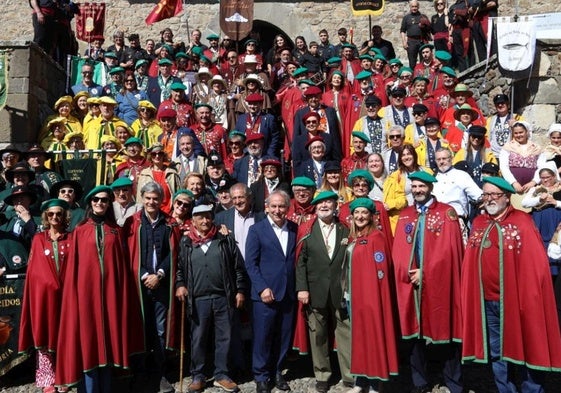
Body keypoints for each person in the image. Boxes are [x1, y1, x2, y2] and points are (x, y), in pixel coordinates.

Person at [462, 176, 561, 392]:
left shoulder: (522, 222)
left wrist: (531, 298)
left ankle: (531, 389)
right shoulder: (479, 223)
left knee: (526, 346)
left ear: (507, 197)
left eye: (494, 194)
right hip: (487, 301)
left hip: (518, 303)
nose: (489, 199)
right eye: (486, 194)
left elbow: (535, 266)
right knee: (497, 351)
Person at [55, 186, 143, 391]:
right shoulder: (80, 231)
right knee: (88, 342)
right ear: (90, 203)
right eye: (96, 200)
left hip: (111, 298)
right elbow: (74, 270)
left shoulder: (115, 230)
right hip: (86, 299)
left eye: (104, 200)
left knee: (109, 345)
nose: (100, 203)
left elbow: (121, 266)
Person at [392, 171, 464, 393]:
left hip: (439, 283)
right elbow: (399, 252)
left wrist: (426, 272)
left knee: (446, 333)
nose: (417, 190)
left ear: (430, 187)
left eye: (421, 186)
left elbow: (449, 252)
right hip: (410, 285)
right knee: (414, 336)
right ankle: (419, 382)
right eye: (414, 187)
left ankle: (453, 382)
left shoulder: (446, 213)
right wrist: (406, 272)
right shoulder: (406, 214)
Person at [176, 204, 248, 393]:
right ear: (193, 221)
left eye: (208, 217)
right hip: (198, 299)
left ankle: (222, 374)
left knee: (224, 337)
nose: (205, 221)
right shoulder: (186, 243)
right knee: (198, 338)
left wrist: (240, 290)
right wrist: (180, 285)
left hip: (223, 297)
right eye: (200, 218)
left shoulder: (224, 239)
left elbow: (238, 268)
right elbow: (180, 270)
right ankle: (198, 375)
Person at [295, 191, 353, 392]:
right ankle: (322, 375)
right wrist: (302, 288)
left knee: (345, 334)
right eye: (320, 203)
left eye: (328, 202)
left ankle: (349, 375)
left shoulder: (346, 228)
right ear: (315, 207)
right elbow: (300, 262)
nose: (324, 205)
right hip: (315, 289)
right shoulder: (306, 229)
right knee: (318, 335)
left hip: (341, 290)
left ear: (336, 206)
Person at [125, 182, 178, 393]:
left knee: (160, 330)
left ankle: (160, 374)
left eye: (155, 198)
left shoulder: (169, 223)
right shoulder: (132, 223)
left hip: (162, 285)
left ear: (161, 200)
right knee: (140, 328)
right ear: (142, 199)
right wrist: (146, 274)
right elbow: (129, 254)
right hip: (139, 285)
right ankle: (140, 374)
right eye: (147, 198)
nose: (151, 202)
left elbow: (172, 253)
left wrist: (160, 274)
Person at [342, 197, 399, 393]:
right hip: (353, 297)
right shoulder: (353, 237)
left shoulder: (377, 238)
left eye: (364, 213)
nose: (360, 216)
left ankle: (375, 383)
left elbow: (381, 273)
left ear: (371, 216)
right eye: (356, 213)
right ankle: (360, 381)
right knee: (358, 339)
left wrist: (375, 299)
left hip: (370, 299)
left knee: (373, 338)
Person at [245, 191, 297, 393]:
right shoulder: (257, 230)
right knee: (263, 337)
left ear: (287, 208)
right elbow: (251, 263)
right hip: (265, 294)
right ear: (266, 207)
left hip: (288, 292)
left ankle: (277, 371)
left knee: (283, 336)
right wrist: (262, 288)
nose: (278, 210)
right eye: (273, 206)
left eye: (282, 206)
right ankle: (261, 376)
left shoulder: (293, 229)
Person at [19, 199, 71, 393]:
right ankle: (48, 378)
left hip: (67, 297)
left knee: (66, 336)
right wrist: (50, 284)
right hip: (46, 298)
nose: (55, 217)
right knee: (45, 334)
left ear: (65, 216)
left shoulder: (71, 238)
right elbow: (35, 271)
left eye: (59, 213)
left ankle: (65, 376)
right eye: (51, 214)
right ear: (46, 217)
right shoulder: (39, 239)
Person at [433, 148, 482, 241]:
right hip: (436, 222)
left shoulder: (462, 175)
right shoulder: (433, 178)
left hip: (456, 220)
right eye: (438, 159)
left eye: (444, 158)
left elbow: (478, 195)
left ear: (450, 158)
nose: (441, 162)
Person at [522, 165, 561, 278]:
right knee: (540, 248)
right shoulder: (536, 189)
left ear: (554, 176)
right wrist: (539, 199)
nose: (545, 180)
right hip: (540, 222)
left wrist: (556, 202)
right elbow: (524, 203)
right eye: (542, 177)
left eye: (548, 177)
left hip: (556, 222)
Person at [383, 144, 431, 233]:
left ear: (414, 155)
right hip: (406, 215)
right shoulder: (395, 176)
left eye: (409, 154)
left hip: (427, 212)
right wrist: (398, 203)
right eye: (403, 155)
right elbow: (391, 201)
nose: (406, 157)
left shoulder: (426, 171)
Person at [499, 121, 542, 195]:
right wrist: (514, 182)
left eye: (521, 132)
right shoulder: (508, 147)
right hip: (512, 187)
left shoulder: (536, 148)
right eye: (516, 133)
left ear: (526, 132)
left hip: (532, 187)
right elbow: (503, 167)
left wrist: (534, 182)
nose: (518, 135)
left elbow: (542, 167)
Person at [136, 143, 180, 214]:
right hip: (150, 213)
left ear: (164, 155)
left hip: (169, 213)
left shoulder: (172, 173)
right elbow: (139, 198)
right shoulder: (144, 174)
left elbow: (178, 195)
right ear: (150, 156)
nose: (157, 156)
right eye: (154, 154)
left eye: (160, 154)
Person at [485, 93, 523, 158]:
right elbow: (486, 137)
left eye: (502, 103)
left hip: (510, 155)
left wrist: (516, 125)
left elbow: (525, 133)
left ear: (508, 104)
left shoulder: (517, 118)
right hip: (494, 156)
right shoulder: (490, 120)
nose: (500, 105)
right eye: (497, 104)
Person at [400, 0, 430, 68]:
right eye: (412, 6)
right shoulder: (406, 17)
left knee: (424, 60)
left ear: (418, 7)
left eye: (416, 6)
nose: (414, 8)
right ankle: (413, 76)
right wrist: (404, 42)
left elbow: (429, 29)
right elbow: (402, 31)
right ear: (410, 7)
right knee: (412, 61)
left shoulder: (423, 16)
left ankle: (424, 76)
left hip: (422, 41)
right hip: (411, 42)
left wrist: (424, 26)